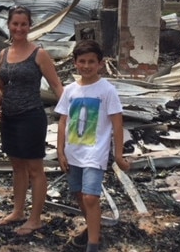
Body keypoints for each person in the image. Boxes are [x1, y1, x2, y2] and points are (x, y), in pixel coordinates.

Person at [0, 6, 64, 235]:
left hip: (31, 117)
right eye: (15, 24)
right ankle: (18, 211)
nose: (19, 28)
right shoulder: (3, 54)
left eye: (23, 24)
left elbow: (56, 85)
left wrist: (67, 111)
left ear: (29, 26)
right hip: (9, 119)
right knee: (17, 167)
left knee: (35, 169)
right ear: (9, 26)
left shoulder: (39, 54)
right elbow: (0, 86)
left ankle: (35, 219)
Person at [54, 39, 130, 252]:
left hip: (94, 153)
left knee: (91, 196)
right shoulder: (70, 90)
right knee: (79, 194)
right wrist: (60, 151)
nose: (86, 66)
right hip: (73, 152)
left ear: (100, 64)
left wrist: (118, 155)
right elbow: (62, 122)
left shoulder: (107, 90)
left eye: (91, 62)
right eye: (82, 61)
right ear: (75, 63)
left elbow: (117, 124)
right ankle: (93, 228)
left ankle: (93, 245)